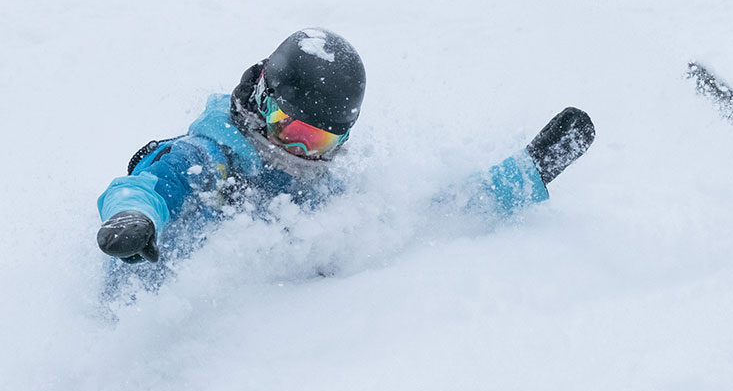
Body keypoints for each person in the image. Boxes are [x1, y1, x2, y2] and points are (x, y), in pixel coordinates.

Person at [96, 28, 595, 265]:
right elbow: (144, 187)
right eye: (290, 129)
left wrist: (526, 174)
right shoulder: (206, 161)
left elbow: (431, 217)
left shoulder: (332, 189)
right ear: (262, 99)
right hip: (149, 320)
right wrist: (134, 218)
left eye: (319, 141)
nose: (300, 152)